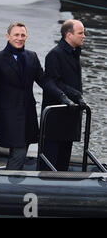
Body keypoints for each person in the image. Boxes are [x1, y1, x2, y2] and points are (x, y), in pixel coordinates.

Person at [0, 22, 59, 170]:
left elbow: (43, 80)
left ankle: (11, 180)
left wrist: (62, 95)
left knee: (20, 149)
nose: (20, 38)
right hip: (7, 115)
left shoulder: (32, 56)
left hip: (28, 114)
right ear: (8, 36)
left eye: (23, 35)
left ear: (26, 37)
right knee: (19, 151)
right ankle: (8, 185)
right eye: (16, 35)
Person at [41, 19, 87, 171]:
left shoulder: (74, 53)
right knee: (51, 158)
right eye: (80, 33)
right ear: (69, 35)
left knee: (64, 159)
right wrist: (75, 95)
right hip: (56, 119)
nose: (84, 36)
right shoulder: (55, 55)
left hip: (70, 115)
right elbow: (53, 82)